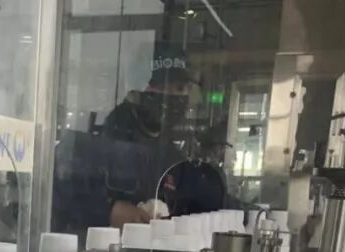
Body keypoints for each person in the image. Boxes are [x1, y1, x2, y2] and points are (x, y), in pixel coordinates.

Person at [52, 51, 231, 234]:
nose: (171, 97)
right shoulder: (93, 142)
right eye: (160, 87)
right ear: (133, 92)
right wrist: (109, 211)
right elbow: (53, 191)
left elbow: (198, 201)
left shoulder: (172, 156)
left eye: (179, 89)